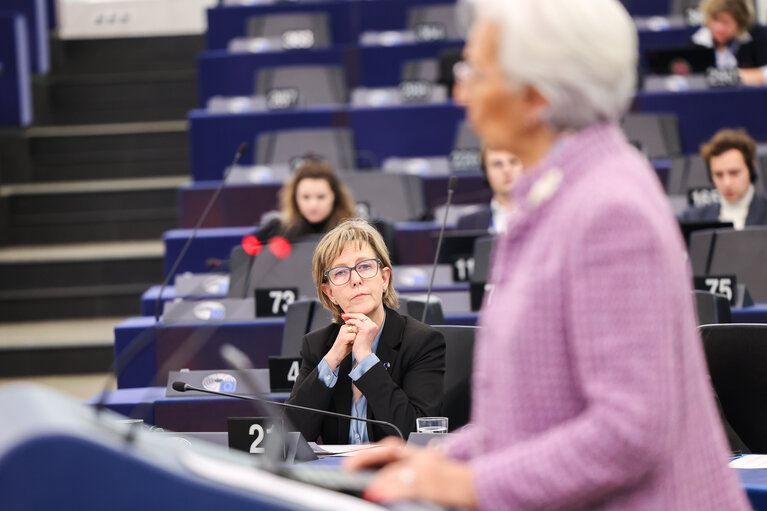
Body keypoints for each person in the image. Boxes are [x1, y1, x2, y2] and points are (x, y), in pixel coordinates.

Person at [347, 0, 750, 509]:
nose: (460, 91)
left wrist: (465, 485)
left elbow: (629, 433)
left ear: (534, 96)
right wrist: (441, 458)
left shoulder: (609, 208)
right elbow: (539, 412)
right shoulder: (560, 191)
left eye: (475, 71)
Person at [285, 219, 445, 444]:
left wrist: (366, 359)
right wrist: (332, 360)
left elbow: (415, 437)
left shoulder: (422, 342)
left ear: (384, 278)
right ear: (329, 292)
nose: (356, 280)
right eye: (341, 273)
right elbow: (292, 437)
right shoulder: (318, 347)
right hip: (336, 475)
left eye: (365, 267)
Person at [680, 128, 767, 229]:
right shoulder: (692, 218)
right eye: (719, 175)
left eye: (734, 173)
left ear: (751, 170)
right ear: (710, 176)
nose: (727, 183)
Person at [254, 158, 357, 244]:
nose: (313, 205)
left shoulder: (354, 233)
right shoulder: (279, 231)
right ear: (295, 198)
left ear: (335, 197)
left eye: (321, 197)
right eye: (306, 197)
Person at [692, 0, 767, 85]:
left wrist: (733, 76)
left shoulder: (758, 35)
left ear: (740, 23)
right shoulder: (698, 40)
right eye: (715, 20)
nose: (719, 28)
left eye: (726, 22)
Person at [456, 146, 524, 233]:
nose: (507, 170)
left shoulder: (543, 217)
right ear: (485, 173)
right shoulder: (468, 223)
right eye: (498, 164)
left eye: (513, 162)